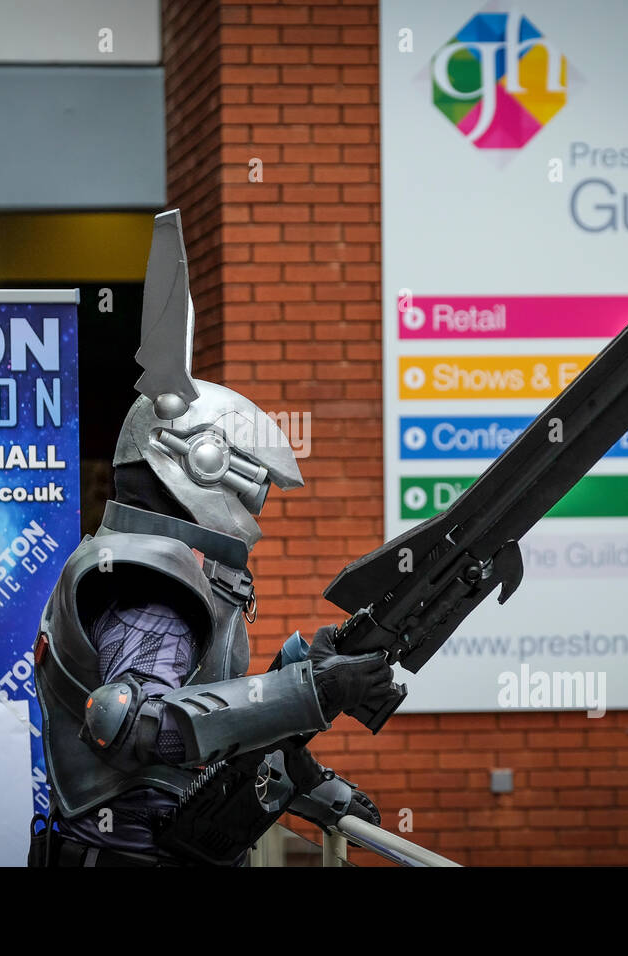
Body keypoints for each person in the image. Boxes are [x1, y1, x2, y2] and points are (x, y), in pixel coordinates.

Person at [32, 211, 394, 868]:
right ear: (190, 462)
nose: (252, 498)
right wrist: (310, 690)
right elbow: (129, 720)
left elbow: (204, 718)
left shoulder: (142, 561)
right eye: (240, 475)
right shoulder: (150, 573)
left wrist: (305, 692)